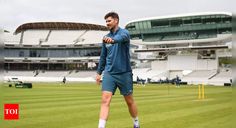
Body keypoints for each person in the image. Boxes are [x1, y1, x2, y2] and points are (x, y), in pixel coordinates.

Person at [96, 12, 140, 128]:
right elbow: (103, 56)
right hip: (109, 73)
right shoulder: (105, 38)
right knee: (105, 100)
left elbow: (121, 38)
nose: (107, 23)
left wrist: (113, 40)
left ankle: (136, 123)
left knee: (129, 101)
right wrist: (99, 72)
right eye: (106, 21)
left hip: (124, 73)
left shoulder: (124, 33)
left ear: (116, 20)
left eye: (109, 21)